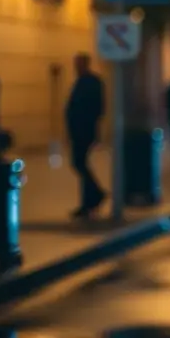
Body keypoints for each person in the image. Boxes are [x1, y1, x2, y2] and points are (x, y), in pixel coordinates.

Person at [65, 53, 105, 219]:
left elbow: (97, 107)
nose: (76, 67)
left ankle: (95, 195)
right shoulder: (82, 81)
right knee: (80, 163)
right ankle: (90, 201)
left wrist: (89, 125)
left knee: (79, 162)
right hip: (78, 130)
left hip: (84, 130)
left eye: (79, 63)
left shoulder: (91, 82)